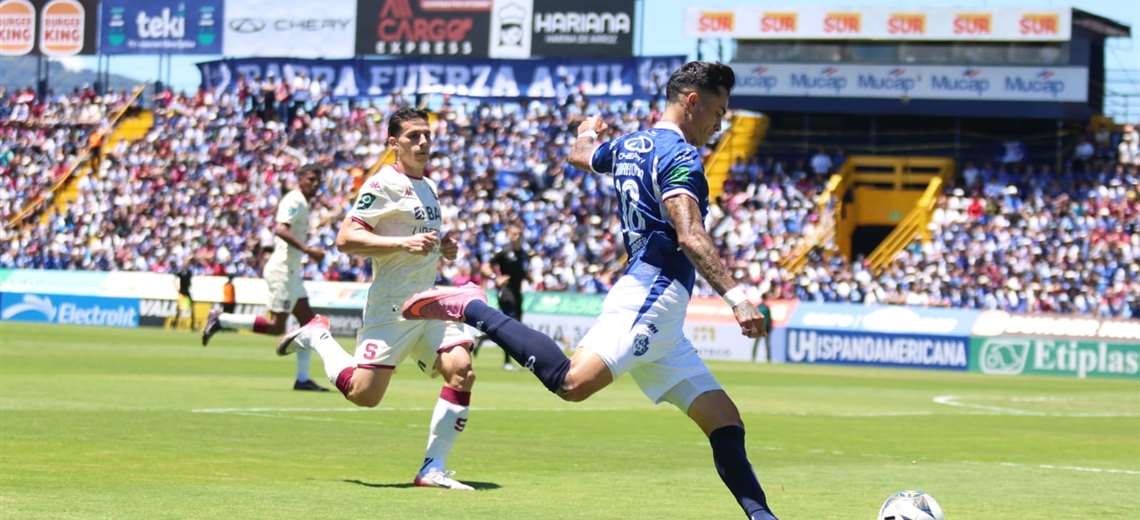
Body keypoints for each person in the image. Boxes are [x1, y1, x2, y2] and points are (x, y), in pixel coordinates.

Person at [400, 62, 778, 519]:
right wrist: (738, 298)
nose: (720, 125)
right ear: (692, 101)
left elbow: (583, 155)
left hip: (661, 313)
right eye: (718, 112)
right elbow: (690, 235)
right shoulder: (680, 158)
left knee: (725, 420)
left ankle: (763, 517)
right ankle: (473, 307)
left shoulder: (631, 144)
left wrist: (585, 131)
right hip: (653, 292)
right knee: (572, 383)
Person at [273, 108, 479, 490]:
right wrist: (401, 242)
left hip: (430, 301)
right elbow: (346, 239)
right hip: (392, 306)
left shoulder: (429, 187)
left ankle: (432, 468)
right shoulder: (381, 184)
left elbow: (422, 241)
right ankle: (318, 335)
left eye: (426, 135)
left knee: (461, 369)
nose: (422, 142)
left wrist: (442, 249)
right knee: (364, 396)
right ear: (393, 143)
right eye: (413, 136)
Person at [200, 163, 330, 392]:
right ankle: (221, 320)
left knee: (309, 323)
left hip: (291, 271)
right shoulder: (294, 199)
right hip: (282, 271)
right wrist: (308, 251)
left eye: (318, 180)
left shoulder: (303, 202)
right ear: (300, 178)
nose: (315, 184)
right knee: (276, 327)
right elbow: (280, 229)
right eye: (311, 179)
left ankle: (303, 379)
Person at [477, 222, 530, 370]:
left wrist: (531, 278)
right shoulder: (504, 251)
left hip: (517, 293)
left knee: (513, 327)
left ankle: (482, 337)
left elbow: (523, 272)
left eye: (518, 234)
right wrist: (495, 277)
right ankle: (507, 362)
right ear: (508, 235)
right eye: (513, 234)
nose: (516, 237)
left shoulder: (524, 254)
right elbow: (485, 267)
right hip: (506, 293)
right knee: (511, 327)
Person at [175, 263, 194, 330]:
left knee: (191, 308)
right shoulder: (182, 273)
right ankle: (176, 324)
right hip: (182, 292)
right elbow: (175, 277)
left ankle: (192, 325)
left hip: (186, 292)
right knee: (179, 309)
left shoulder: (188, 273)